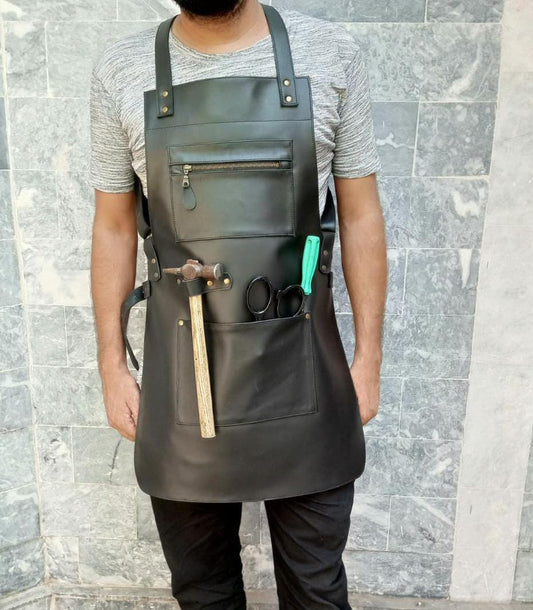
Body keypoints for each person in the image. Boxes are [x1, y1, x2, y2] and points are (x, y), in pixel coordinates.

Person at [89, 0, 387, 607]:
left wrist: (369, 359)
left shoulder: (332, 55)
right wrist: (111, 365)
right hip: (183, 379)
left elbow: (361, 215)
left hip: (306, 368)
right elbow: (113, 227)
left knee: (316, 591)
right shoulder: (121, 70)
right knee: (203, 593)